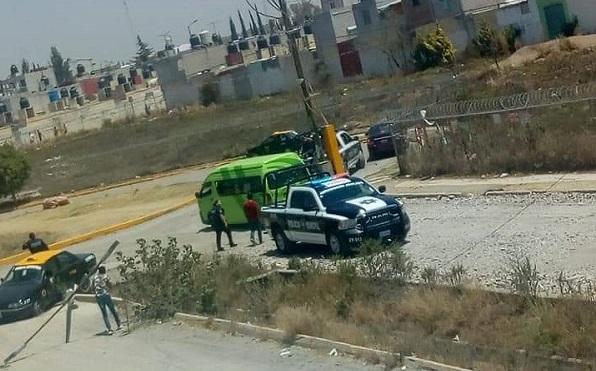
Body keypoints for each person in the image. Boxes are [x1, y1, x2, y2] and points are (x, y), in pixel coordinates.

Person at [94, 265, 121, 335]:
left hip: (99, 296)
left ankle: (110, 329)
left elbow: (92, 288)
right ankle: (119, 325)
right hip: (105, 296)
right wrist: (111, 289)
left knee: (105, 313)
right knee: (112, 310)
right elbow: (110, 285)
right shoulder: (105, 276)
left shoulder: (95, 277)